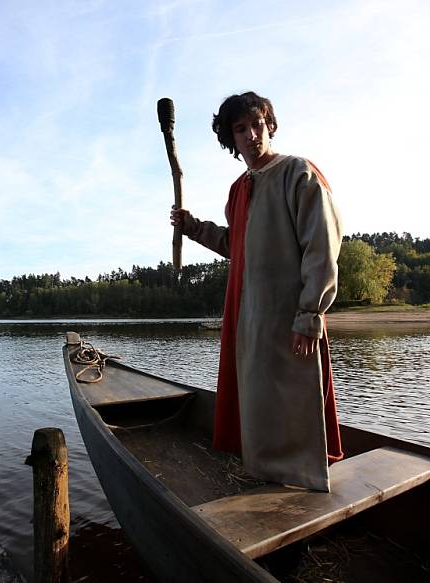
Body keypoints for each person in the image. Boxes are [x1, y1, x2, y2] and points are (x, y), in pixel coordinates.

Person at [170, 91, 344, 491]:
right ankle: (265, 485)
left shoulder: (298, 173)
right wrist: (194, 228)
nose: (251, 135)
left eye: (257, 124)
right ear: (232, 140)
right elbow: (238, 245)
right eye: (240, 129)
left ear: (270, 124)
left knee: (293, 398)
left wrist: (309, 314)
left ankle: (304, 490)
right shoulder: (238, 190)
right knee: (258, 404)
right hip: (249, 317)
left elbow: (322, 245)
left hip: (289, 315)